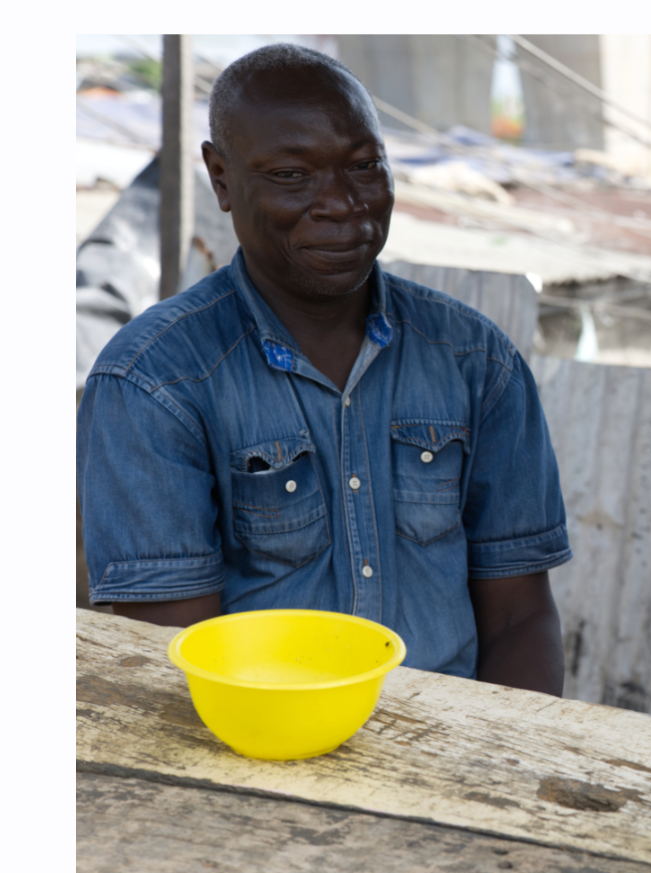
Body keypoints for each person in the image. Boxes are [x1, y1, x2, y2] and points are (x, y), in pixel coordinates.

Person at [76, 44, 570, 693]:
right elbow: (177, 662)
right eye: (291, 175)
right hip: (250, 757)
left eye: (364, 165)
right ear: (221, 178)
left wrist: (494, 771)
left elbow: (520, 617)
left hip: (452, 760)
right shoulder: (153, 382)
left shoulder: (477, 361)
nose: (342, 202)